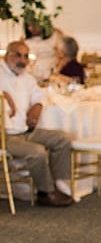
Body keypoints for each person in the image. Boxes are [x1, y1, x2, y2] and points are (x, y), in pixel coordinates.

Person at [0, 41, 73, 207]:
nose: (22, 60)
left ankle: (61, 182)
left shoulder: (27, 78)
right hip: (6, 135)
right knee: (37, 152)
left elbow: (39, 95)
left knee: (62, 138)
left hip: (26, 130)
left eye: (26, 56)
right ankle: (45, 192)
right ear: (7, 55)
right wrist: (4, 97)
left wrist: (37, 106)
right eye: (17, 55)